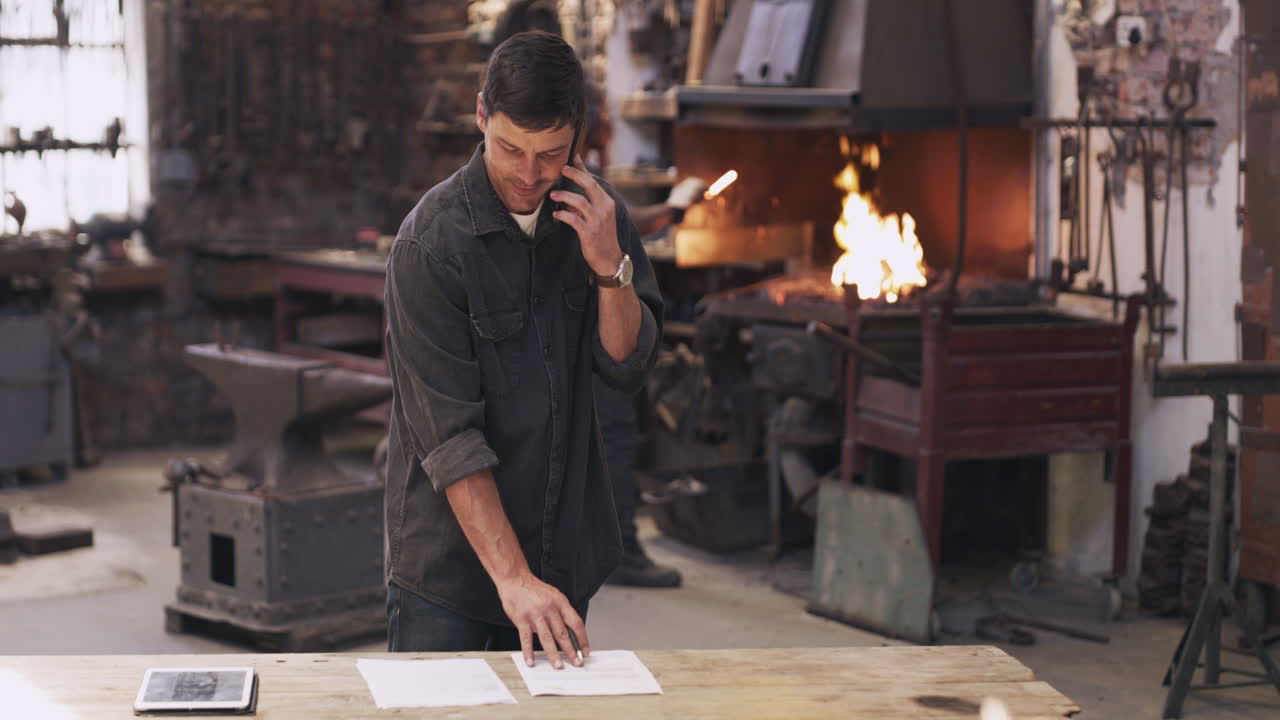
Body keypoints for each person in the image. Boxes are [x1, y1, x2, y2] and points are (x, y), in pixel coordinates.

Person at [381, 31, 662, 669]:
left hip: (562, 550)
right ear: (481, 116)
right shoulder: (430, 246)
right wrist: (512, 579)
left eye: (550, 154)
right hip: (448, 571)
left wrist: (608, 268)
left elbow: (626, 367)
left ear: (578, 139)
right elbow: (451, 440)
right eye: (510, 148)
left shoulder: (599, 217)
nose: (528, 174)